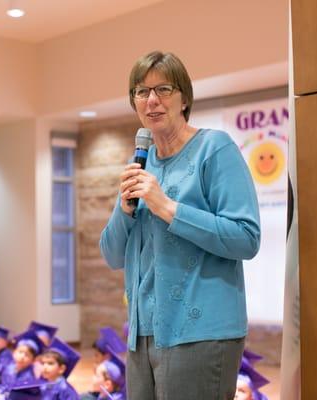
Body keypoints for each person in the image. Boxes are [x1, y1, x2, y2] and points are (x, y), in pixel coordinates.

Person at [99, 51, 261, 400]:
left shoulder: (214, 148)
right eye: (141, 92)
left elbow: (246, 238)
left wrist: (167, 207)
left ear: (184, 97)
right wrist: (124, 211)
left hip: (201, 333)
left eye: (164, 89)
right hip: (142, 333)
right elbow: (112, 256)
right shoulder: (140, 164)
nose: (152, 100)